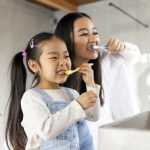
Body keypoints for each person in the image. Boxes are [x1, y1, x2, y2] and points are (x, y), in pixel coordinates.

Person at [55, 12, 140, 148]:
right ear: (66, 40)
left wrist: (122, 47)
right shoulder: (57, 77)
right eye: (84, 34)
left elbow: (134, 55)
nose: (93, 39)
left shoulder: (106, 59)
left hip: (113, 140)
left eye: (95, 33)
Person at [5, 32, 101, 150]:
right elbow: (46, 131)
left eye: (66, 56)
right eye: (54, 57)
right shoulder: (32, 97)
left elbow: (93, 116)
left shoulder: (71, 94)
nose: (63, 62)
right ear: (34, 65)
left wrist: (91, 85)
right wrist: (78, 105)